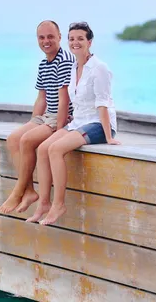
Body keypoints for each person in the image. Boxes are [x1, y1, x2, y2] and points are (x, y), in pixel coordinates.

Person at [26, 21, 120, 225]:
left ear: (90, 42)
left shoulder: (99, 68)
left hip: (97, 124)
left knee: (56, 149)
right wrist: (65, 123)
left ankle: (59, 204)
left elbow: (102, 103)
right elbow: (73, 101)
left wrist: (109, 136)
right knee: (43, 149)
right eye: (72, 39)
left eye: (80, 39)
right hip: (78, 121)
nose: (75, 42)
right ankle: (43, 203)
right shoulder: (73, 67)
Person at [0, 20, 76, 214]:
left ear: (59, 37)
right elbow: (41, 98)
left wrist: (59, 128)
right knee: (14, 138)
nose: (46, 41)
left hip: (64, 115)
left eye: (50, 36)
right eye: (42, 37)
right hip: (47, 114)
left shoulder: (65, 60)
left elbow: (64, 99)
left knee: (27, 140)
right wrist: (33, 122)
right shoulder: (43, 63)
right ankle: (30, 191)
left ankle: (18, 191)